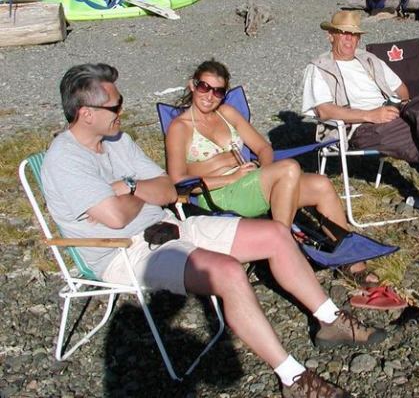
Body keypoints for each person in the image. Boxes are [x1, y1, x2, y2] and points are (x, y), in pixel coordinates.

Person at [41, 63, 386, 398]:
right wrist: (140, 192)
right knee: (227, 271)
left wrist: (129, 187)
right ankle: (292, 376)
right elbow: (115, 219)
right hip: (123, 251)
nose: (122, 111)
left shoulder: (119, 140)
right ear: (86, 113)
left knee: (276, 235)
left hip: (170, 224)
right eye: (115, 105)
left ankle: (330, 320)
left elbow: (168, 188)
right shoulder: (66, 159)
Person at [164, 59, 376, 284]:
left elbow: (264, 148)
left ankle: (351, 262)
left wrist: (265, 172)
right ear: (192, 85)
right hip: (217, 195)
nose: (209, 96)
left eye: (218, 91)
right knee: (290, 167)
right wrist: (234, 177)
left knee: (320, 184)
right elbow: (178, 181)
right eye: (204, 87)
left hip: (250, 184)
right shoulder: (181, 127)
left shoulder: (227, 113)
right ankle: (284, 251)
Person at [302, 10, 419, 233]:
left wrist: (402, 107)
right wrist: (370, 115)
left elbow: (401, 89)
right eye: (343, 33)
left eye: (354, 35)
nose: (349, 39)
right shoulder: (319, 67)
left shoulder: (368, 59)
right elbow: (324, 110)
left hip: (392, 112)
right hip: (361, 126)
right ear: (330, 35)